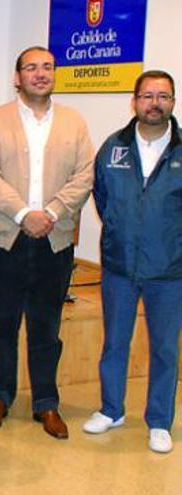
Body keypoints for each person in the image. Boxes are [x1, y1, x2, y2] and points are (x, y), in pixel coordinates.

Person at [0, 46, 93, 439]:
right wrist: (26, 214)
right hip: (5, 238)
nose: (40, 73)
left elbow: (84, 176)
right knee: (3, 324)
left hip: (55, 241)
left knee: (47, 326)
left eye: (47, 67)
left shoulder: (74, 123)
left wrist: (53, 214)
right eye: (31, 67)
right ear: (17, 76)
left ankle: (46, 402)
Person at [85, 70, 182, 453]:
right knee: (115, 342)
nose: (154, 103)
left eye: (163, 96)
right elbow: (102, 196)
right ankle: (111, 409)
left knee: (164, 348)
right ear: (135, 101)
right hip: (120, 267)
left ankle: (159, 420)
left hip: (170, 271)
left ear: (173, 102)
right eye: (147, 96)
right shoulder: (114, 148)